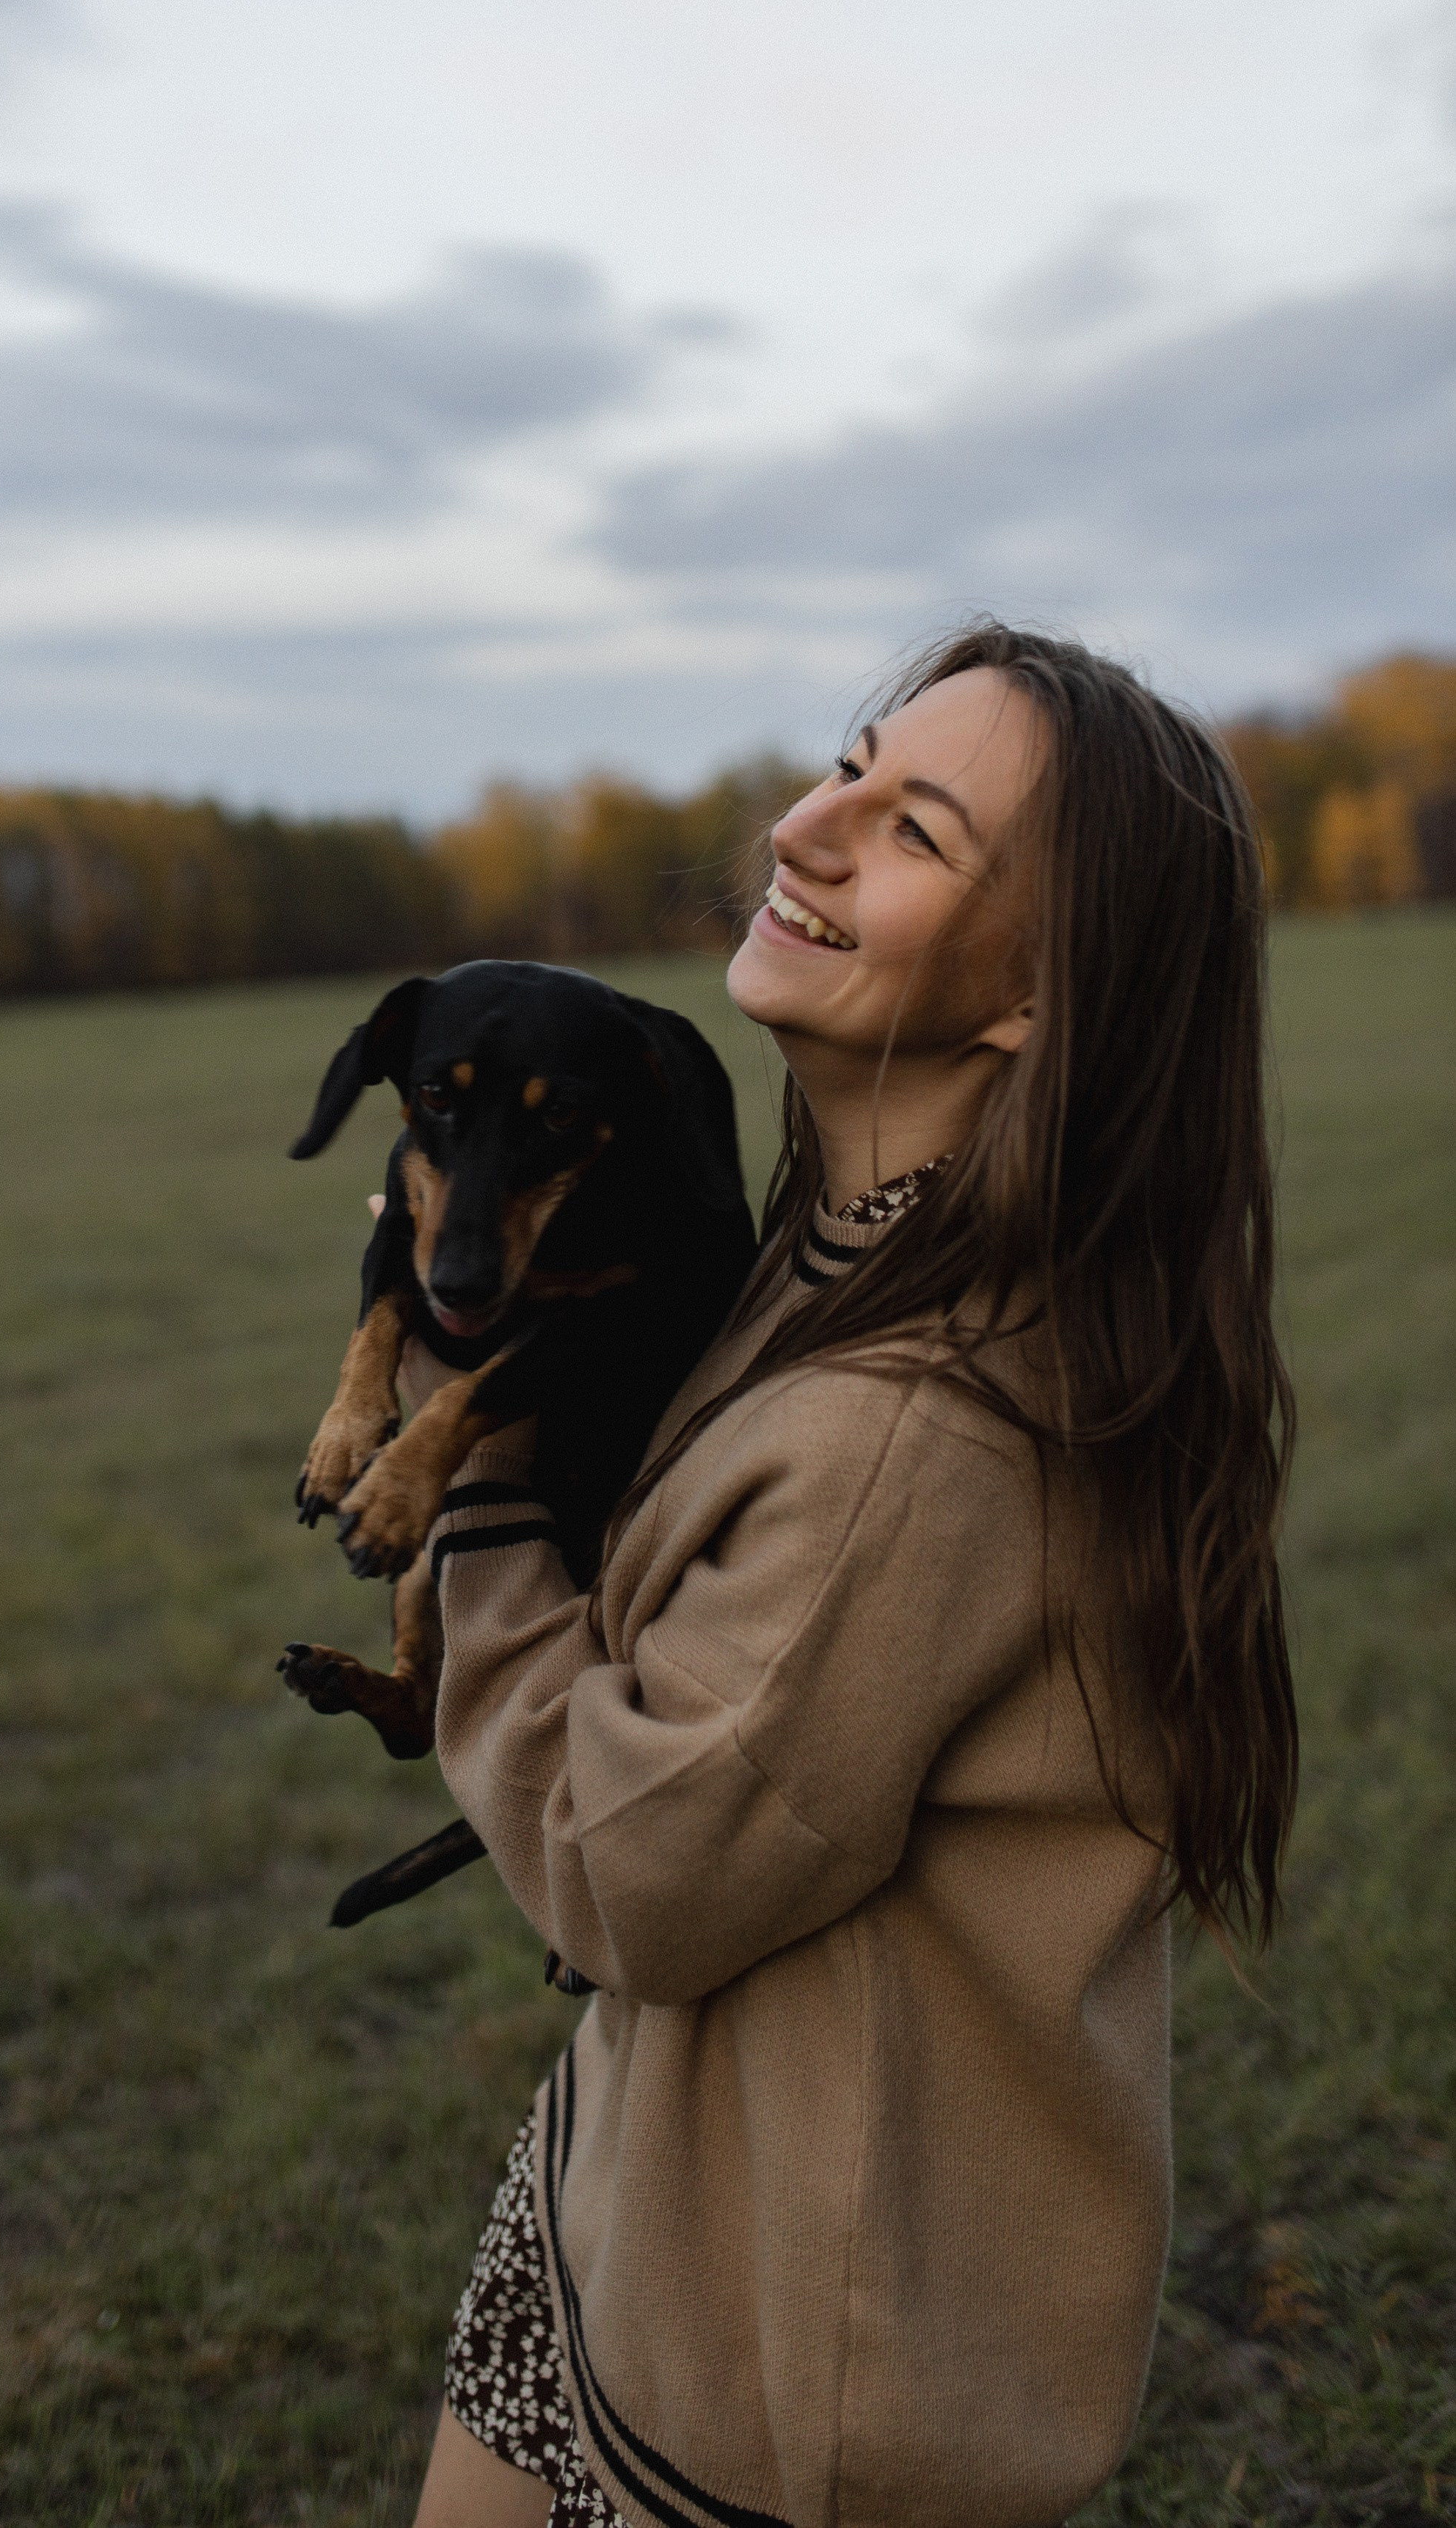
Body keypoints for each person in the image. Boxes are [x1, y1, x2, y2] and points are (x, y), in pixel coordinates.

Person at [407, 622, 1297, 2528]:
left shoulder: (917, 1430)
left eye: (912, 829)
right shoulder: (827, 1261)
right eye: (843, 762)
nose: (802, 826)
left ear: (1036, 998)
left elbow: (622, 1859)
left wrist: (470, 1484)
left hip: (786, 2371)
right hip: (630, 2177)